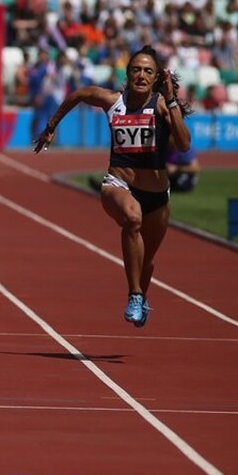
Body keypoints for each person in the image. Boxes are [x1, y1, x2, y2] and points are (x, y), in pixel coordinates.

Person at [34, 45, 192, 327]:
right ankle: (133, 294)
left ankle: (142, 296)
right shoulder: (112, 101)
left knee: (147, 260)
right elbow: (79, 94)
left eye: (147, 71)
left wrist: (171, 103)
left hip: (156, 194)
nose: (141, 75)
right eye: (135, 70)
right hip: (118, 184)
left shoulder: (161, 105)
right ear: (127, 73)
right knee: (132, 218)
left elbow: (183, 144)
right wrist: (51, 126)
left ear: (156, 77)